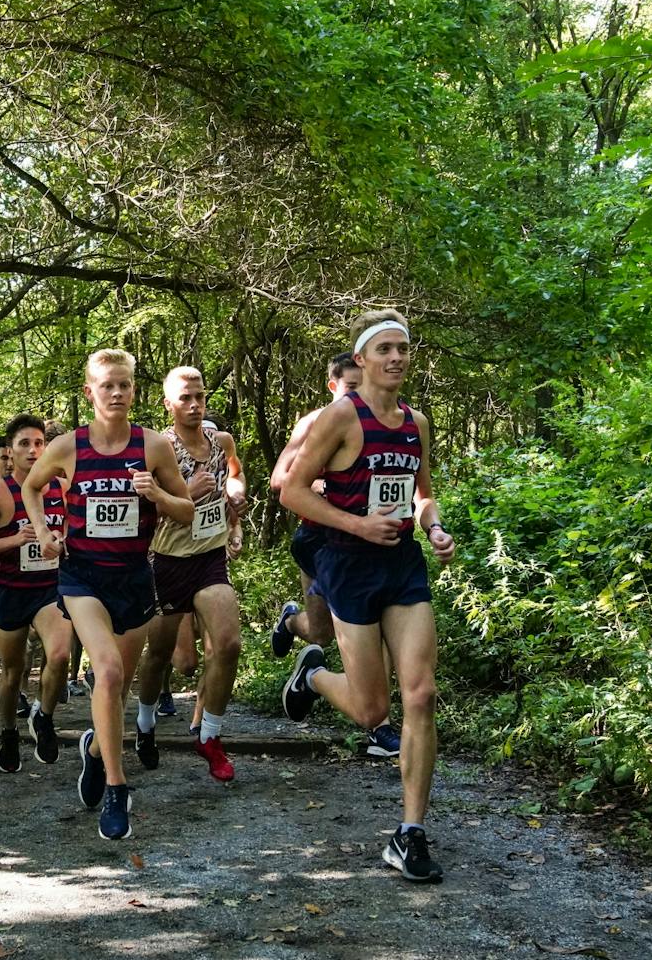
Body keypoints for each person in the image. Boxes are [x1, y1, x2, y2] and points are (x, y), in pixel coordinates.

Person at [278, 310, 456, 882]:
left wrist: (432, 527)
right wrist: (357, 526)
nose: (397, 358)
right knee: (371, 710)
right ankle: (312, 677)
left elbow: (422, 494)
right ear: (361, 360)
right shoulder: (339, 417)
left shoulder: (416, 423)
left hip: (402, 564)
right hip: (350, 564)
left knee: (421, 693)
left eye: (403, 348)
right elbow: (292, 494)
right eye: (384, 349)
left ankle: (410, 833)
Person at [22, 349, 195, 839]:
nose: (117, 393)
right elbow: (32, 488)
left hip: (134, 578)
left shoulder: (154, 446)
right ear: (90, 393)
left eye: (125, 385)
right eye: (107, 386)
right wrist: (42, 531)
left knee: (114, 689)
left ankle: (96, 751)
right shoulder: (68, 446)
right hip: (83, 577)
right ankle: (119, 791)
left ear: (135, 390)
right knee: (111, 672)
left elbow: (186, 511)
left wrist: (158, 496)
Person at [270, 354, 403, 759]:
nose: (359, 393)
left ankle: (379, 726)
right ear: (333, 386)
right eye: (350, 386)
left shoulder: (387, 423)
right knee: (325, 632)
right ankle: (294, 628)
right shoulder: (315, 423)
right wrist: (327, 488)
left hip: (369, 548)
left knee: (363, 629)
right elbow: (281, 481)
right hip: (321, 542)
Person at [134, 368, 247, 782]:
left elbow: (234, 472)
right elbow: (145, 504)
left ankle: (210, 736)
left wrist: (235, 492)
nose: (195, 405)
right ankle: (145, 724)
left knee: (229, 644)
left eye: (199, 396)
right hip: (166, 560)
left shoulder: (221, 442)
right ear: (169, 403)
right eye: (185, 398)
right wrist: (184, 492)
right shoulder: (157, 448)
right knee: (162, 657)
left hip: (209, 557)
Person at [0, 414, 72, 771]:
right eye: (24, 443)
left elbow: (73, 530)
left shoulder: (59, 487)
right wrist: (15, 538)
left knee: (59, 655)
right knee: (13, 672)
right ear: (10, 451)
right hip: (11, 591)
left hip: (50, 591)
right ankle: (9, 731)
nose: (32, 450)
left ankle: (43, 716)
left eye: (39, 443)